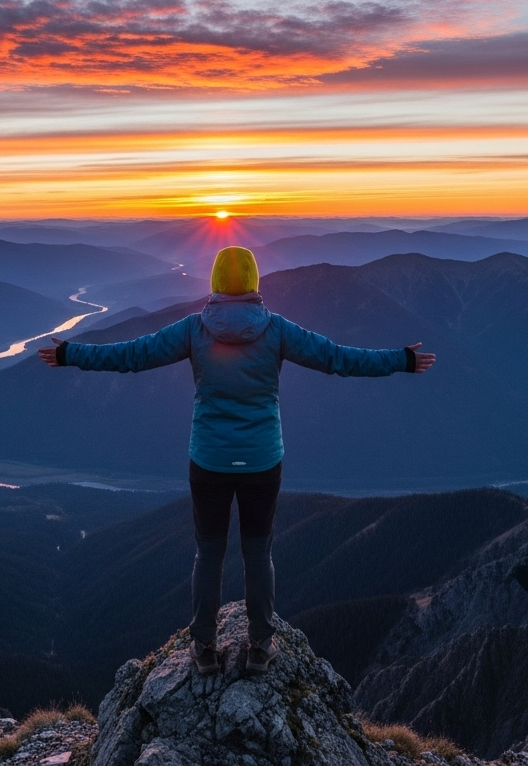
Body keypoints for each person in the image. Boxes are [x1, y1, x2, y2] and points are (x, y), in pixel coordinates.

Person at [39, 245, 436, 675]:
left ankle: (204, 648)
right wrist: (401, 360)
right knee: (257, 552)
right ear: (253, 281)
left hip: (208, 460)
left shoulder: (194, 329)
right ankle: (261, 646)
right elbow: (338, 359)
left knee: (208, 555)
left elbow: (132, 355)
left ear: (213, 282)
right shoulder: (277, 330)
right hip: (263, 461)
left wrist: (70, 354)